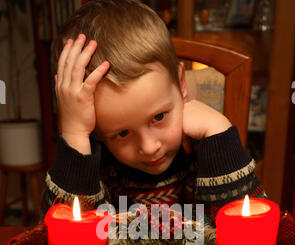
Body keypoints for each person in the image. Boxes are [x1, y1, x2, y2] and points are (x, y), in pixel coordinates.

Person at [42, 0, 265, 227]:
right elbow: (65, 241)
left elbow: (253, 230)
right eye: (122, 133)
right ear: (97, 130)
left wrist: (219, 132)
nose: (149, 147)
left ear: (180, 83)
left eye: (159, 117)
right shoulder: (93, 168)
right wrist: (76, 134)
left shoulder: (205, 150)